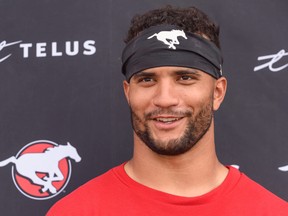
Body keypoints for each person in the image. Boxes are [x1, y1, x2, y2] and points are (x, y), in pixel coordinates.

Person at [47, 5, 288, 215]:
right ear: (128, 93)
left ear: (217, 92)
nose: (165, 99)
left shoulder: (272, 211)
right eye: (147, 80)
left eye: (184, 78)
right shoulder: (75, 211)